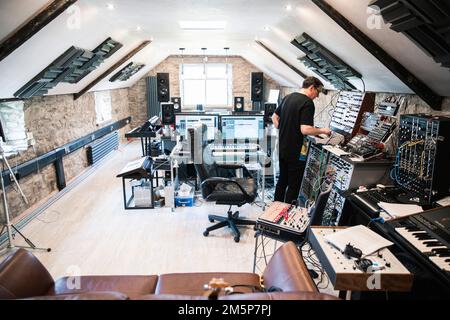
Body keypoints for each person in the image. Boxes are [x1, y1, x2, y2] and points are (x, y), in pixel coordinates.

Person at [272, 77, 331, 204]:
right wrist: (323, 130)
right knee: (294, 185)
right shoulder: (307, 103)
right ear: (311, 88)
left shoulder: (288, 97)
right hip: (296, 152)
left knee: (282, 181)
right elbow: (305, 129)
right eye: (318, 92)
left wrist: (283, 127)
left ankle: (274, 211)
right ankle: (286, 217)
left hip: (282, 148)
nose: (317, 96)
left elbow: (274, 117)